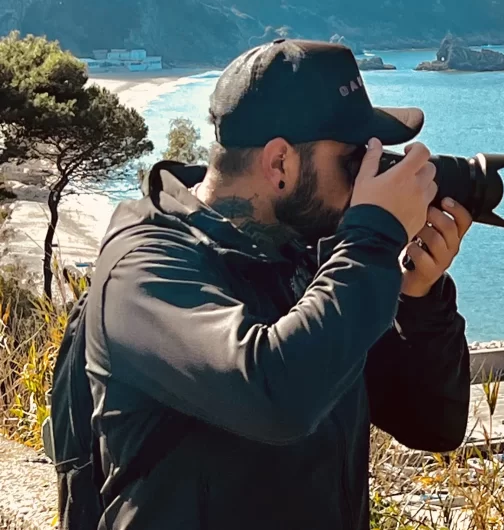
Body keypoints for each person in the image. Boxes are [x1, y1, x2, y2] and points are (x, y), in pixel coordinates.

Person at [84, 39, 472, 529]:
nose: (364, 181)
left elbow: (432, 424)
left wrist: (417, 301)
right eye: (353, 161)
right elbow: (274, 395)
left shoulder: (307, 253)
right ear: (280, 164)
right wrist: (373, 238)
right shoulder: (145, 272)